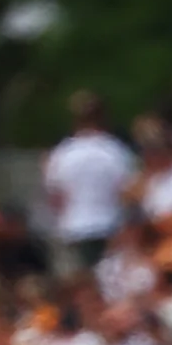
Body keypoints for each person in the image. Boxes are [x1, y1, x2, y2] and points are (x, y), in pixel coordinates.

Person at [39, 93, 138, 270]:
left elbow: (56, 198)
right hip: (109, 227)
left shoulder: (62, 154)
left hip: (73, 228)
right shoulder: (116, 151)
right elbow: (128, 193)